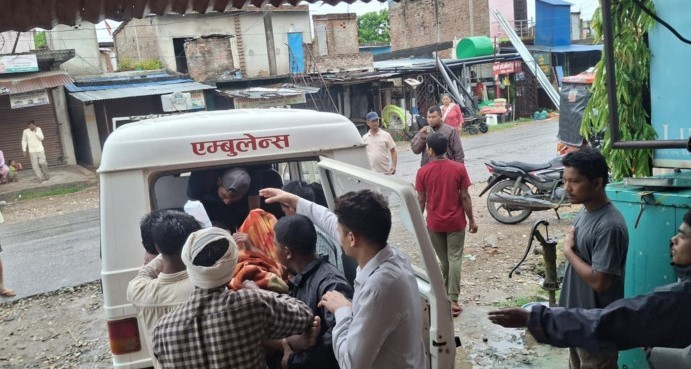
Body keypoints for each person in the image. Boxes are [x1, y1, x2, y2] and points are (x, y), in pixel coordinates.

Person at [488, 210, 691, 367]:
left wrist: (533, 318)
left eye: (683, 236)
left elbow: (612, 319)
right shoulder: (583, 216)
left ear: (596, 182)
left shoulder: (609, 225)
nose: (673, 240)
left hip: (593, 332)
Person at [260, 188, 428, 369]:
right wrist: (297, 201)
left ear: (352, 238)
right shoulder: (393, 255)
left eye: (339, 231)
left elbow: (351, 363)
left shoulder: (378, 288)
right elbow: (329, 220)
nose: (335, 232)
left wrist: (342, 310)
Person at [492, 148, 629, 369]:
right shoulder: (585, 211)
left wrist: (568, 252)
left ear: (597, 183)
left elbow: (600, 282)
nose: (567, 188)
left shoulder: (609, 226)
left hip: (596, 329)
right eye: (564, 180)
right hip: (577, 322)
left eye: (574, 181)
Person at [152, 227, 316, 369]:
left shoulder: (163, 329)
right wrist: (259, 292)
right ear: (232, 266)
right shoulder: (250, 303)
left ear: (190, 267)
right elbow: (304, 314)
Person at [268, 214, 354, 369]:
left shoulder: (330, 284)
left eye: (275, 245)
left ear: (287, 252)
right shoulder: (300, 277)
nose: (272, 250)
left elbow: (335, 344)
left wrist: (294, 361)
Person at [126, 210, 201, 369]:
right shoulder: (205, 285)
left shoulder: (139, 291)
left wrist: (165, 250)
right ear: (192, 245)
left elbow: (145, 273)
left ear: (157, 248)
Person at [415, 133, 477, 317]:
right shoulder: (458, 169)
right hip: (456, 222)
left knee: (444, 261)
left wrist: (417, 221)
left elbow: (421, 200)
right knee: (455, 258)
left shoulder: (423, 172)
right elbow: (465, 196)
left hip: (434, 224)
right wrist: (472, 219)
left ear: (430, 150)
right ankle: (453, 299)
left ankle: (445, 298)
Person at [280, 180, 357, 284]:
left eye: (285, 212)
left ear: (292, 208)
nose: (285, 217)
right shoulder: (317, 227)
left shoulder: (315, 236)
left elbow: (324, 277)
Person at [186, 167, 261, 232]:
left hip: (236, 211)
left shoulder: (253, 180)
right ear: (219, 181)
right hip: (208, 206)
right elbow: (193, 209)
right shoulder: (200, 182)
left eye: (234, 198)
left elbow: (254, 216)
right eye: (225, 196)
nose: (227, 201)